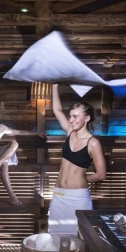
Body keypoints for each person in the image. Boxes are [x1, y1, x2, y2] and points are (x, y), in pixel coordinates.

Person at [48, 83, 106, 234]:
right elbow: (57, 110)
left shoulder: (93, 143)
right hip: (59, 195)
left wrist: (82, 179)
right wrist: (54, 85)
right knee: (55, 237)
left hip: (78, 198)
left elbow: (101, 174)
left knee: (79, 238)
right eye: (70, 116)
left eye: (75, 116)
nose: (71, 120)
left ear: (87, 118)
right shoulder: (69, 132)